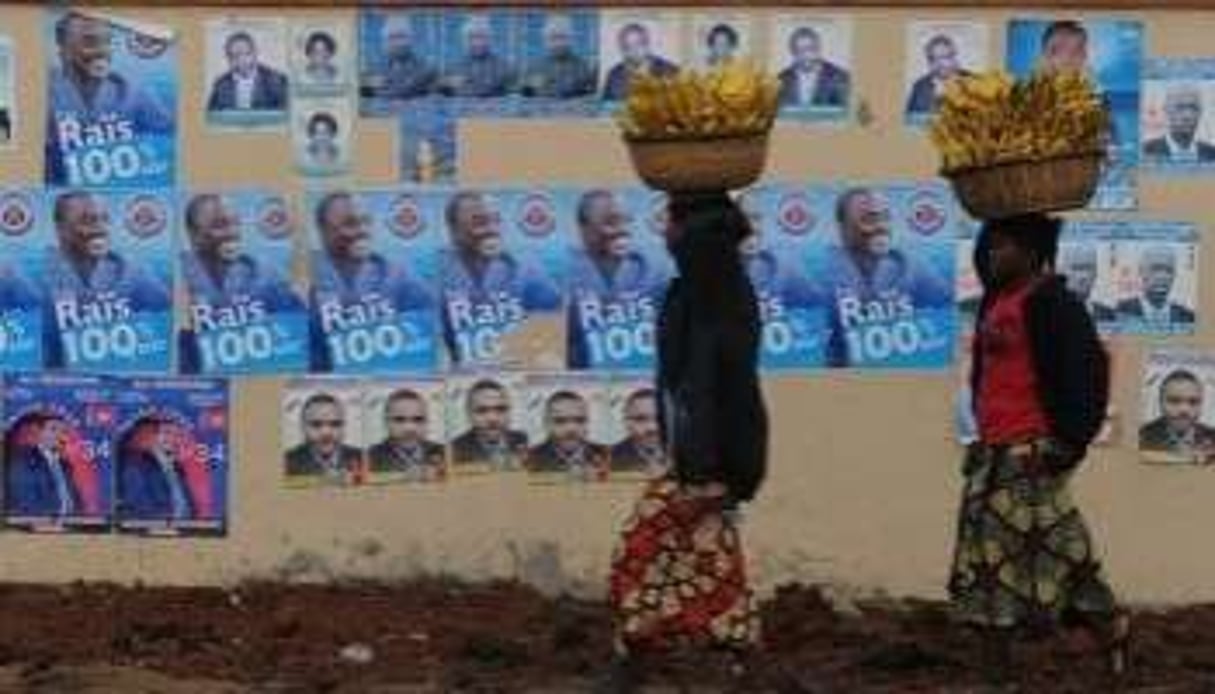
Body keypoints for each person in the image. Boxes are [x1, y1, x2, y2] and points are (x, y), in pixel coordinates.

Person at [950, 214, 1128, 685]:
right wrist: (980, 441)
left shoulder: (1054, 304)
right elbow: (984, 380)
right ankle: (999, 676)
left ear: (1031, 254)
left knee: (1065, 562)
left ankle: (1111, 630)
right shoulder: (994, 301)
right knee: (987, 572)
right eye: (990, 247)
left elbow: (1089, 374)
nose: (993, 255)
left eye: (1003, 247)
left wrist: (1068, 445)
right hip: (994, 456)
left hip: (1034, 455)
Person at [603, 193, 767, 692]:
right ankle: (723, 665)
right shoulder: (692, 294)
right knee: (703, 566)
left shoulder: (720, 298)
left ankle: (643, 665)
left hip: (710, 469)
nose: (663, 234)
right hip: (695, 465)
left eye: (671, 223)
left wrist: (732, 478)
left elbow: (736, 395)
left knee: (639, 551)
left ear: (691, 233)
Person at [821, 187, 951, 367]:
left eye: (885, 217)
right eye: (869, 219)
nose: (881, 227)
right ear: (842, 227)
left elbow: (946, 321)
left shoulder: (909, 265)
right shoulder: (825, 271)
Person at [179, 194, 307, 373]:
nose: (232, 232)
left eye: (236, 223)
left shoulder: (263, 275)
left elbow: (300, 338)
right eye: (219, 226)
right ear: (193, 234)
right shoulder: (178, 275)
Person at [45, 191, 172, 369]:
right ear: (60, 228)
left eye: (105, 219)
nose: (101, 229)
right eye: (87, 221)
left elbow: (168, 321)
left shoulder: (130, 271)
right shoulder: (40, 274)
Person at [309, 192, 434, 371]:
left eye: (367, 221)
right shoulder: (307, 283)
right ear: (323, 230)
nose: (362, 230)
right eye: (349, 224)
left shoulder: (399, 278)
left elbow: (427, 347)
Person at [46, 12, 174, 183]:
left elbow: (172, 141)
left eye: (108, 42)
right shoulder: (44, 91)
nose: (103, 51)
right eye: (90, 42)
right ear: (62, 48)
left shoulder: (132, 93)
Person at [440, 191, 561, 361]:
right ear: (453, 230)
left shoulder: (525, 270)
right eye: (479, 223)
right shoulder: (439, 273)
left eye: (496, 221)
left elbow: (554, 329)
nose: (492, 230)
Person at [567, 189, 668, 368]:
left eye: (627, 220)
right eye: (610, 222)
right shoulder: (565, 275)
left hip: (642, 388)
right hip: (585, 389)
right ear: (583, 228)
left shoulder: (653, 271)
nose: (623, 230)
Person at [117, 417, 210, 521]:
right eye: (166, 433)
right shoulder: (134, 466)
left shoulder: (176, 465)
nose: (171, 438)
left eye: (177, 435)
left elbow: (190, 505)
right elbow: (142, 512)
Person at [3, 413, 92, 520]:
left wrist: (81, 520)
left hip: (71, 527)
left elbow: (78, 503)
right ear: (39, 433)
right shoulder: (23, 462)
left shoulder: (65, 465)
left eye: (63, 431)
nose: (60, 435)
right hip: (39, 527)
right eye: (53, 429)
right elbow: (26, 504)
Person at [526, 390, 609, 479]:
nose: (571, 429)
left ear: (587, 422)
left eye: (579, 420)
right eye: (560, 421)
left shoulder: (606, 454)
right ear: (546, 423)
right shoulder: (530, 458)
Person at [284, 392, 364, 483]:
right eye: (316, 424)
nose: (326, 432)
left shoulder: (362, 458)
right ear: (303, 427)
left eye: (335, 424)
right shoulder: (286, 463)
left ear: (344, 427)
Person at [367, 389, 446, 481]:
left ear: (427, 421)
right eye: (399, 420)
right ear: (386, 422)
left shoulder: (445, 453)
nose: (409, 428)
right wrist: (405, 476)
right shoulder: (369, 458)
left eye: (418, 419)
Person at [1139, 369, 1215, 463]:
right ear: (1160, 403)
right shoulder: (1142, 436)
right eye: (1174, 401)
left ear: (1201, 404)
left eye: (1193, 402)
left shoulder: (1212, 436)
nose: (1184, 410)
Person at [449, 379, 527, 470]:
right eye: (482, 410)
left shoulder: (523, 439)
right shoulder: (454, 450)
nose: (492, 418)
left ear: (510, 411)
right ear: (469, 414)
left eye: (500, 409)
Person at [206, 31, 289, 112]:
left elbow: (286, 114)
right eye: (235, 56)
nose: (241, 60)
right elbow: (211, 116)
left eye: (246, 54)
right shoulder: (221, 84)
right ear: (228, 58)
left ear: (255, 53)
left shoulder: (276, 80)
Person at [520, 14, 597, 99]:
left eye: (562, 37)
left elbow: (586, 94)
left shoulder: (582, 67)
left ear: (570, 39)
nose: (558, 43)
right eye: (553, 38)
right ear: (546, 41)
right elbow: (527, 93)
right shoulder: (535, 67)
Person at [437, 15, 516, 98]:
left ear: (489, 40)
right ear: (465, 41)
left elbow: (490, 90)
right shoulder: (455, 67)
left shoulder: (503, 67)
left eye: (482, 37)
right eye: (472, 38)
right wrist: (448, 85)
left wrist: (464, 84)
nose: (477, 43)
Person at [1115, 244, 1194, 324]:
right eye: (1156, 269)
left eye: (1168, 270)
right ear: (1141, 271)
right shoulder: (1120, 311)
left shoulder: (1188, 317)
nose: (1162, 277)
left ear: (1174, 275)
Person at [601, 22, 679, 101]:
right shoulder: (614, 74)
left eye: (638, 44)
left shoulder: (669, 71)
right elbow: (606, 106)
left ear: (647, 44)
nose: (633, 51)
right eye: (627, 47)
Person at [777, 26, 850, 108]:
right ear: (793, 53)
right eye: (799, 50)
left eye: (810, 49)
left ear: (819, 49)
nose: (806, 55)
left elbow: (847, 112)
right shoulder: (781, 79)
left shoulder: (840, 77)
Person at [905, 34, 973, 117]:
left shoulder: (972, 80)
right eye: (943, 58)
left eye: (952, 56)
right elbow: (910, 122)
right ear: (931, 63)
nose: (951, 62)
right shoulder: (920, 87)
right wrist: (936, 99)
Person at [1143, 85, 1215, 163]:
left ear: (1200, 113)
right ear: (1166, 111)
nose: (1188, 115)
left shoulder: (1211, 153)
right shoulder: (1146, 150)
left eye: (1193, 108)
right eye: (1180, 107)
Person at [373, 16, 437, 101]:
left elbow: (405, 90)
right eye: (391, 38)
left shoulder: (426, 69)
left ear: (411, 40)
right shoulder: (385, 69)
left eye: (400, 36)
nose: (396, 43)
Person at [609, 388, 666, 475]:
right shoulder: (609, 458)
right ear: (626, 422)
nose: (653, 427)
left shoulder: (689, 455)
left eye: (660, 418)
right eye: (641, 419)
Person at [1058, 243, 1116, 322]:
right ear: (1062, 272)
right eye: (1077, 269)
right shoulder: (1054, 314)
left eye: (1089, 268)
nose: (1084, 277)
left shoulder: (1107, 314)